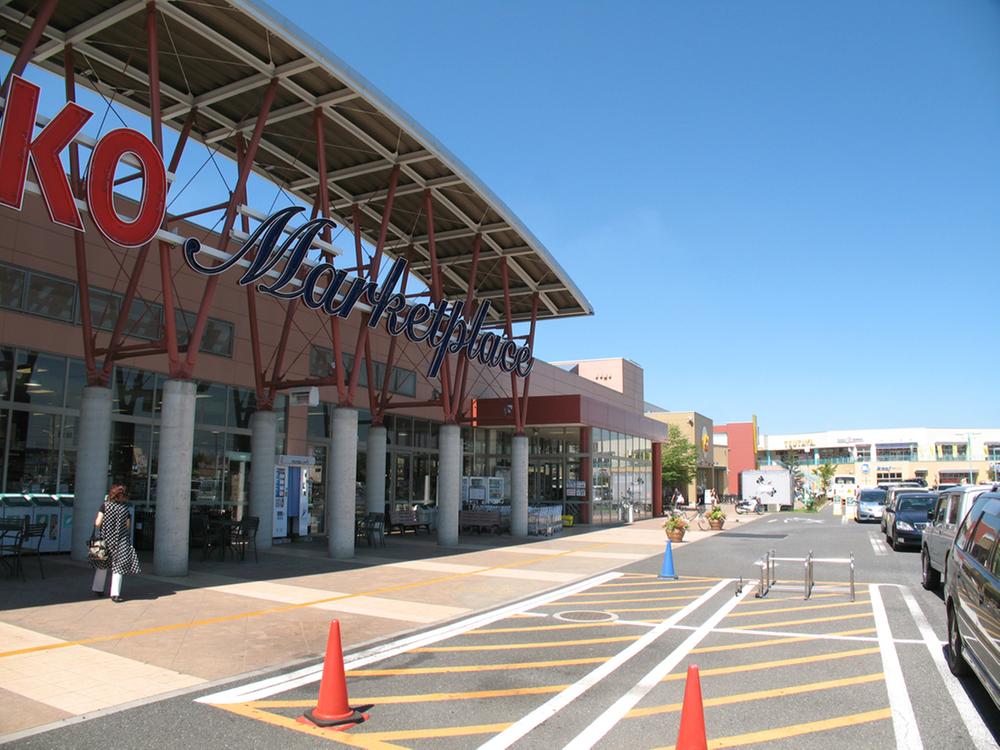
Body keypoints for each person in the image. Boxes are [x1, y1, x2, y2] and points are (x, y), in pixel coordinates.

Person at [91, 484, 141, 602]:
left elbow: (98, 523)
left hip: (104, 539)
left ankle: (98, 588)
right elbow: (127, 526)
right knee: (118, 566)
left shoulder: (104, 506)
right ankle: (115, 594)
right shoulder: (125, 509)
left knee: (101, 564)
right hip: (121, 540)